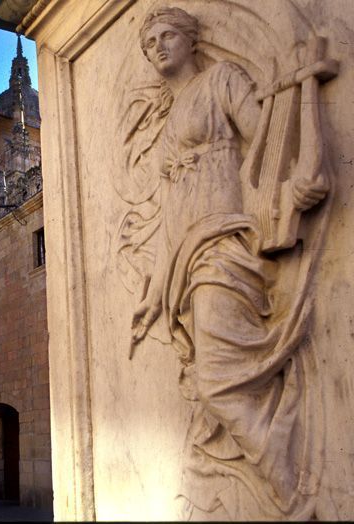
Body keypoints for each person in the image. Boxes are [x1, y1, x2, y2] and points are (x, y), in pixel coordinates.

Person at [126, 6, 327, 520]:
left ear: (192, 40)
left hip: (225, 239)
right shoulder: (171, 122)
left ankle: (288, 486)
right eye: (150, 43)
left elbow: (267, 145)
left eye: (167, 35)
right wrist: (153, 293)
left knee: (218, 377)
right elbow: (172, 206)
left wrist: (292, 191)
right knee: (213, 374)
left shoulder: (223, 80)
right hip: (186, 253)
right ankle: (283, 481)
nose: (157, 48)